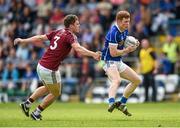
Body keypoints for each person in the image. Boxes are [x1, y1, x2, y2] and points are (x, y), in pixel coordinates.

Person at [14, 14, 101, 121]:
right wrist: (93, 54)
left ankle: (27, 104)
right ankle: (36, 113)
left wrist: (23, 40)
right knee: (55, 93)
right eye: (77, 24)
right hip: (49, 69)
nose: (79, 26)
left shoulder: (58, 31)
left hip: (41, 65)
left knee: (47, 88)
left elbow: (40, 37)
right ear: (71, 25)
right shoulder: (70, 35)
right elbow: (78, 49)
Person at [101, 11, 141, 116]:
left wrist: (134, 43)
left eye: (128, 22)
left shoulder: (125, 30)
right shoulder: (113, 32)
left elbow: (123, 41)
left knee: (137, 80)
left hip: (118, 61)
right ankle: (111, 103)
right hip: (109, 61)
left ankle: (122, 103)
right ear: (118, 21)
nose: (127, 24)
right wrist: (127, 50)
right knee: (117, 80)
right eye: (125, 22)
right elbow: (113, 53)